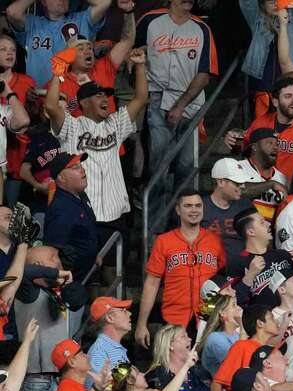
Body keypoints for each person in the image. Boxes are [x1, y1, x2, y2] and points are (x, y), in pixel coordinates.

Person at [45, 45, 148, 228]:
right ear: (83, 102)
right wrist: (57, 73)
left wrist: (140, 66)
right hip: (84, 213)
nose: (105, 100)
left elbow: (140, 98)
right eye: (98, 96)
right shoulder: (72, 126)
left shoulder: (116, 123)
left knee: (116, 255)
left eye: (106, 96)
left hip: (116, 211)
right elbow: (52, 107)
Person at [135, 0, 219, 215]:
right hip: (157, 97)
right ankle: (153, 228)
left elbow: (205, 74)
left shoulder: (202, 28)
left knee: (186, 168)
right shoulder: (150, 20)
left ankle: (180, 223)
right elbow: (132, 49)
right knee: (158, 166)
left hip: (190, 104)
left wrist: (181, 105)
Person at [136, 190, 226, 347]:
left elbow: (223, 276)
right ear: (178, 210)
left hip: (209, 319)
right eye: (188, 206)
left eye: (198, 206)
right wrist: (141, 324)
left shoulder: (215, 240)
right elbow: (152, 283)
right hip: (174, 318)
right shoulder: (164, 241)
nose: (194, 210)